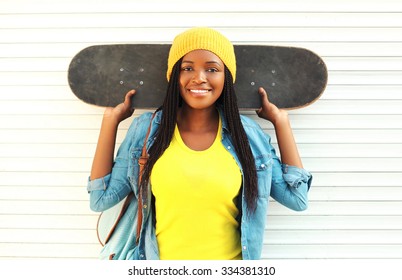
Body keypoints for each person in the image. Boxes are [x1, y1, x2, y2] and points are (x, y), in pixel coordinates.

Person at [87, 27, 312, 260]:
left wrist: (281, 122)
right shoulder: (146, 131)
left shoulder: (247, 136)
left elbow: (297, 199)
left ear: (226, 77)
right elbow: (100, 200)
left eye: (212, 69)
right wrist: (110, 121)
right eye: (187, 68)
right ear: (175, 76)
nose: (199, 77)